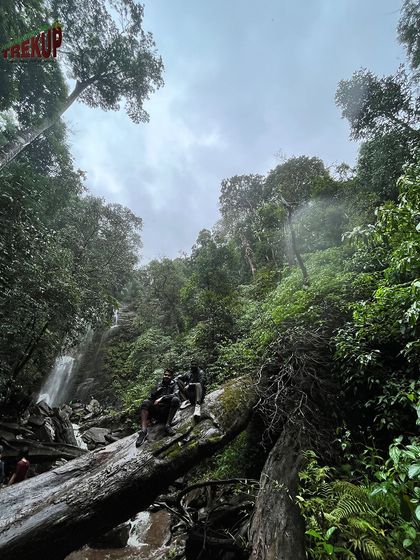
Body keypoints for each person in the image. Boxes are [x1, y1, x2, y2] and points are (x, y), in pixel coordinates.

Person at [136, 369, 180, 447]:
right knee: (145, 402)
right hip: (158, 412)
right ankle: (143, 431)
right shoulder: (159, 384)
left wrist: (162, 398)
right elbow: (150, 398)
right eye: (165, 375)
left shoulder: (174, 384)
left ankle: (168, 425)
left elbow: (176, 395)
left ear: (172, 377)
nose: (166, 376)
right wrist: (156, 391)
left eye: (168, 375)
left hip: (167, 412)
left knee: (175, 400)